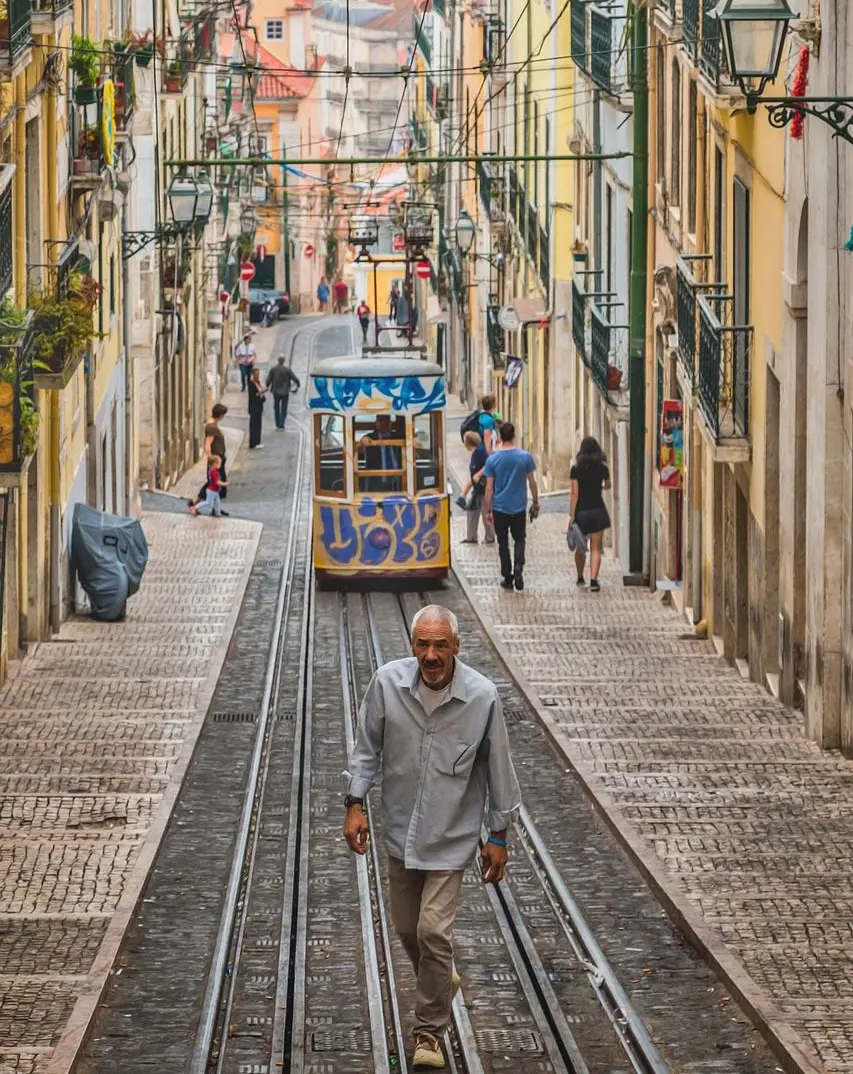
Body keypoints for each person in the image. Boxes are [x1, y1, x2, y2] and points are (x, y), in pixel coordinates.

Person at [344, 605, 521, 1072]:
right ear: (412, 645)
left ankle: (429, 1032)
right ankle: (442, 978)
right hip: (400, 831)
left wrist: (498, 836)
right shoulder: (387, 684)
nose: (430, 654)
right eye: (422, 644)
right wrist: (354, 803)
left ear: (456, 647)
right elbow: (366, 748)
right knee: (407, 929)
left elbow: (499, 767)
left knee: (432, 932)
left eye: (440, 644)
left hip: (451, 836)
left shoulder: (482, 697)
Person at [484, 422, 539, 591]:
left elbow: (489, 488)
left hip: (500, 507)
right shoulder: (525, 457)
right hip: (519, 507)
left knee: (503, 543)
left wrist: (488, 510)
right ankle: (519, 567)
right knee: (520, 539)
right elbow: (532, 482)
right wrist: (535, 501)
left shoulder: (492, 460)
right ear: (514, 435)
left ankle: (507, 576)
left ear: (500, 437)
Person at [569, 436, 611, 592]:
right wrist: (599, 486)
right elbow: (608, 485)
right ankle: (593, 580)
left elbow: (574, 494)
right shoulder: (602, 467)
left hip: (582, 512)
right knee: (596, 547)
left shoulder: (576, 469)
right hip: (598, 510)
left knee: (580, 547)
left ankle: (580, 577)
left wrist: (572, 515)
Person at [458, 431, 494, 545]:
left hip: (484, 488)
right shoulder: (475, 453)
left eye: (464, 440)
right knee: (471, 511)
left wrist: (479, 474)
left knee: (485, 512)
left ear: (468, 442)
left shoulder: (480, 452)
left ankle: (490, 537)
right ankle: (471, 537)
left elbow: (489, 464)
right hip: (477, 488)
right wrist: (463, 494)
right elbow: (472, 478)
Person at [358, 414, 402, 492]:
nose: (384, 423)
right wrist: (363, 440)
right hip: (378, 479)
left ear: (390, 423)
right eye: (381, 420)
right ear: (376, 423)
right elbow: (360, 447)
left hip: (398, 478)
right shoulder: (371, 437)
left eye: (386, 420)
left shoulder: (397, 436)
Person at [266, 356, 301, 430]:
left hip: (276, 392)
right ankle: (282, 424)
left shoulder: (273, 369)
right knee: (283, 409)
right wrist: (298, 384)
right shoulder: (287, 370)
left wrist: (267, 385)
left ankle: (277, 424)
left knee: (276, 408)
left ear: (278, 360)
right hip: (285, 392)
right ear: (284, 361)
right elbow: (295, 378)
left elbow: (268, 380)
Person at [247, 367, 267, 449]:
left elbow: (259, 393)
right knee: (254, 425)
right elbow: (252, 396)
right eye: (256, 374)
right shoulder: (251, 384)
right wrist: (261, 392)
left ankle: (257, 442)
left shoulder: (258, 382)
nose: (257, 376)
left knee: (258, 424)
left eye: (258, 374)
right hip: (254, 406)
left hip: (259, 405)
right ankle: (253, 443)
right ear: (253, 375)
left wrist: (262, 392)